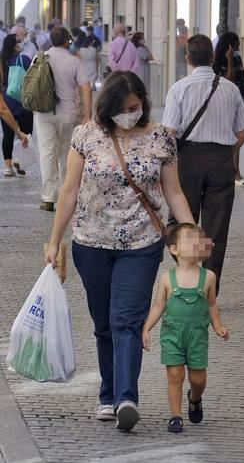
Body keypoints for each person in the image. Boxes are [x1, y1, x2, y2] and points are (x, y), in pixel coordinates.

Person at [45, 71, 193, 431]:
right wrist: (54, 240)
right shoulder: (86, 136)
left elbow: (173, 192)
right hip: (91, 243)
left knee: (126, 320)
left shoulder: (160, 138)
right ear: (107, 107)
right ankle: (108, 394)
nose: (131, 113)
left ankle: (126, 397)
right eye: (124, 108)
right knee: (103, 323)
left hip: (141, 244)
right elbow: (68, 191)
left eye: (136, 106)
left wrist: (190, 232)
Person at [162, 35, 244, 290]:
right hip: (221, 160)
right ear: (213, 58)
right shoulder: (230, 88)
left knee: (180, 222)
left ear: (187, 58)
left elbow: (169, 133)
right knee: (217, 226)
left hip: (188, 160)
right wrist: (226, 154)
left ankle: (186, 270)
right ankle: (209, 286)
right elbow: (242, 133)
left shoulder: (179, 88)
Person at [142, 222, 230, 434]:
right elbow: (159, 306)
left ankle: (195, 398)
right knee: (175, 375)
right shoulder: (167, 279)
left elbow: (211, 304)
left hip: (197, 336)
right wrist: (146, 328)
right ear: (174, 249)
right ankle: (175, 416)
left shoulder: (208, 277)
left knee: (198, 379)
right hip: (172, 335)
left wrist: (218, 326)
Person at [35, 26, 92, 212]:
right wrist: (88, 114)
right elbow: (85, 88)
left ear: (51, 40)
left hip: (43, 112)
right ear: (68, 41)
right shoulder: (73, 61)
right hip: (67, 113)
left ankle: (48, 198)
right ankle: (66, 195)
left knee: (47, 153)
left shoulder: (40, 58)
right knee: (66, 154)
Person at [212, 31, 244, 187]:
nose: (238, 46)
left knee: (239, 135)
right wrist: (229, 59)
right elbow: (229, 80)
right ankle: (233, 172)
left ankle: (234, 172)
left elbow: (239, 79)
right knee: (236, 136)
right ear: (229, 45)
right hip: (225, 102)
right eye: (236, 43)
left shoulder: (237, 58)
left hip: (239, 100)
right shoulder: (218, 62)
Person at [0, 34, 32, 177]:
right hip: (22, 99)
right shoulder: (24, 59)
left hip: (6, 100)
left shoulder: (1, 61)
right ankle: (19, 160)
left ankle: (7, 166)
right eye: (18, 42)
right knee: (26, 132)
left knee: (7, 134)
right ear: (15, 45)